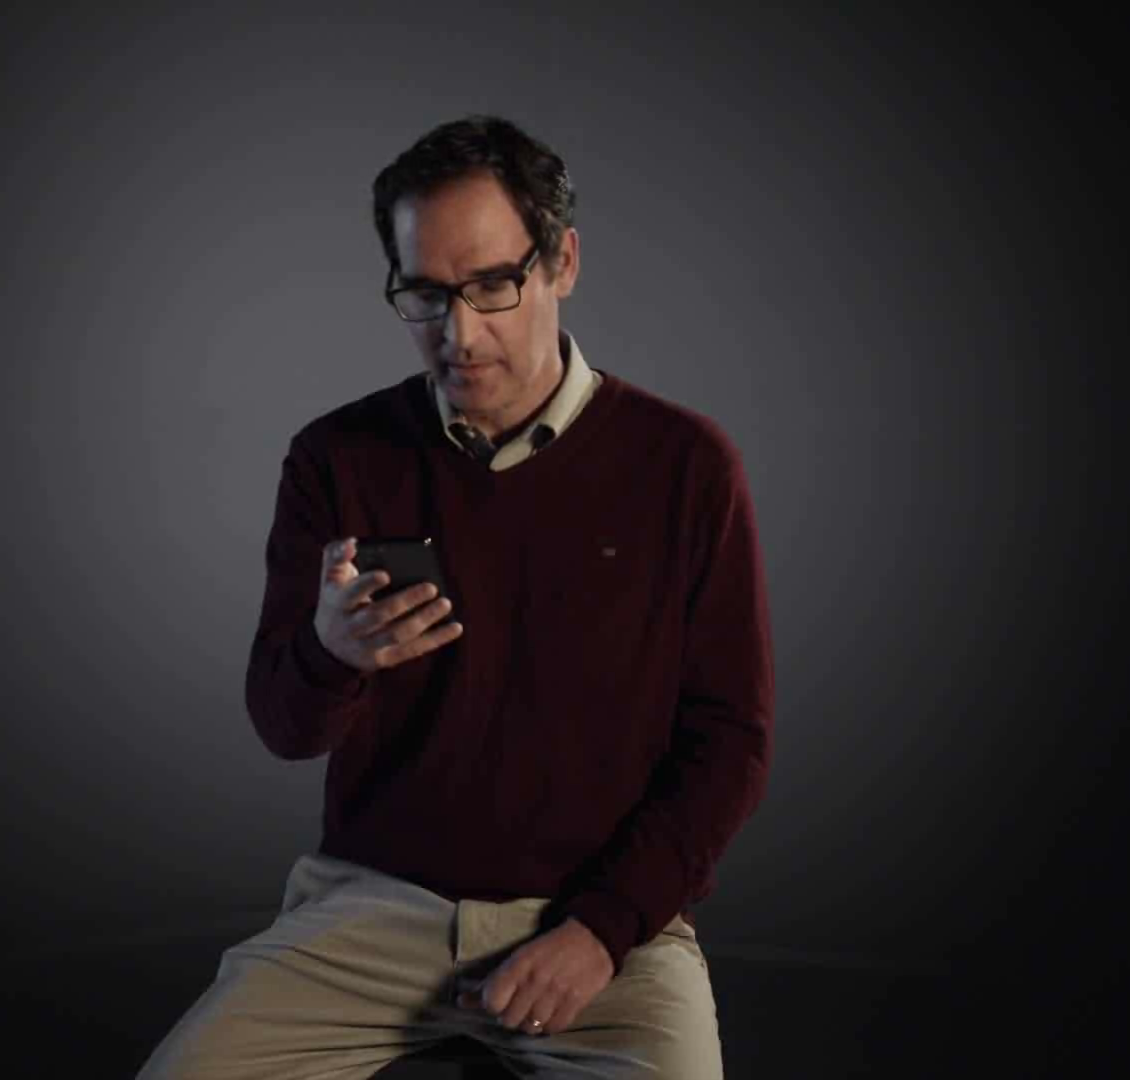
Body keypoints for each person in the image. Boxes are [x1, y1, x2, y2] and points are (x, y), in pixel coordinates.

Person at [137, 114, 773, 1079]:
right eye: (426, 294)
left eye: (491, 285)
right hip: (371, 911)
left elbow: (731, 741)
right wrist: (330, 656)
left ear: (562, 263)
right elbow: (284, 728)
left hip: (605, 929)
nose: (459, 333)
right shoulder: (337, 457)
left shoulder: (685, 465)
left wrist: (602, 930)